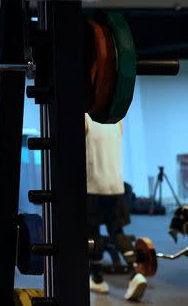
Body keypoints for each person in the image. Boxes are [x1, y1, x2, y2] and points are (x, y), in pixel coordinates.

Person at [85, 113, 146, 301]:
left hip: (92, 186)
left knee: (92, 233)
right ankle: (136, 274)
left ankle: (97, 279)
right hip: (115, 186)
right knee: (117, 231)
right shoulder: (117, 119)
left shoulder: (85, 118)